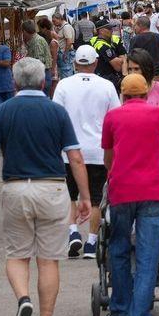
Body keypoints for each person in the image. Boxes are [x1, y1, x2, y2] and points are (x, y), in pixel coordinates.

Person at [0, 57, 92, 316]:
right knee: (49, 259)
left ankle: (23, 299)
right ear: (43, 82)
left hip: (16, 188)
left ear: (14, 83)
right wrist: (85, 196)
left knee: (17, 255)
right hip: (51, 187)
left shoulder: (3, 111)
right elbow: (75, 158)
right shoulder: (56, 112)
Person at [101, 74, 159, 316]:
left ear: (123, 95)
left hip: (121, 191)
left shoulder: (113, 117)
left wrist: (116, 173)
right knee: (148, 255)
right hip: (154, 190)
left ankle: (119, 309)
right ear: (145, 93)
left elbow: (108, 158)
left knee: (119, 248)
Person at [52, 44, 118, 260]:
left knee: (70, 195)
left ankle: (73, 233)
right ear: (96, 62)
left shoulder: (63, 85)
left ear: (74, 63)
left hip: (70, 151)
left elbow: (57, 116)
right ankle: (91, 242)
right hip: (99, 150)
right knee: (97, 197)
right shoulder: (107, 85)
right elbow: (115, 118)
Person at [125, 47, 159, 123]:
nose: (132, 73)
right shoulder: (127, 91)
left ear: (145, 68)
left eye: (136, 69)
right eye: (130, 69)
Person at [89, 17, 127, 93]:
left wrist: (122, 59)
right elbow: (118, 66)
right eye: (109, 28)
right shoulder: (100, 45)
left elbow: (124, 56)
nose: (112, 30)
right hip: (106, 80)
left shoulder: (114, 39)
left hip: (113, 79)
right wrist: (122, 59)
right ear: (101, 31)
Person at [129, 15, 159, 83]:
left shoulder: (134, 40)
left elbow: (131, 60)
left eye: (135, 26)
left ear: (140, 25)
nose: (134, 28)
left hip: (143, 78)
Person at [21, 19, 54, 97]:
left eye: (22, 32)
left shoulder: (37, 42)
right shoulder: (35, 40)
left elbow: (39, 62)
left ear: (25, 32)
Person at [37, 17, 62, 95]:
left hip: (52, 66)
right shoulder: (46, 37)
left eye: (40, 28)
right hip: (49, 65)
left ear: (44, 28)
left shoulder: (52, 41)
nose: (39, 30)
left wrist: (53, 70)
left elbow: (54, 57)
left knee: (52, 87)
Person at [52, 13, 76, 79]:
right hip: (63, 52)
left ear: (60, 19)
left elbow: (69, 41)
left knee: (66, 71)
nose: (53, 23)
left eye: (54, 21)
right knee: (64, 71)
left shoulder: (66, 27)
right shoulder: (60, 27)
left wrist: (65, 53)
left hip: (65, 52)